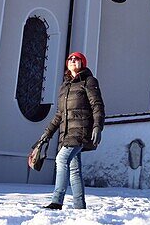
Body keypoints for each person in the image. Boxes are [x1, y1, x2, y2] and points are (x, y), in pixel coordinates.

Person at [28, 51, 104, 209]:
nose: (73, 60)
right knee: (74, 169)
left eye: (77, 59)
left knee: (61, 160)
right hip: (66, 133)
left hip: (81, 130)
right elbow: (59, 115)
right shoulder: (65, 86)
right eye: (71, 59)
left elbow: (97, 105)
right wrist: (46, 134)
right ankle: (79, 205)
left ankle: (57, 201)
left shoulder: (89, 81)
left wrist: (98, 126)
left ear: (83, 63)